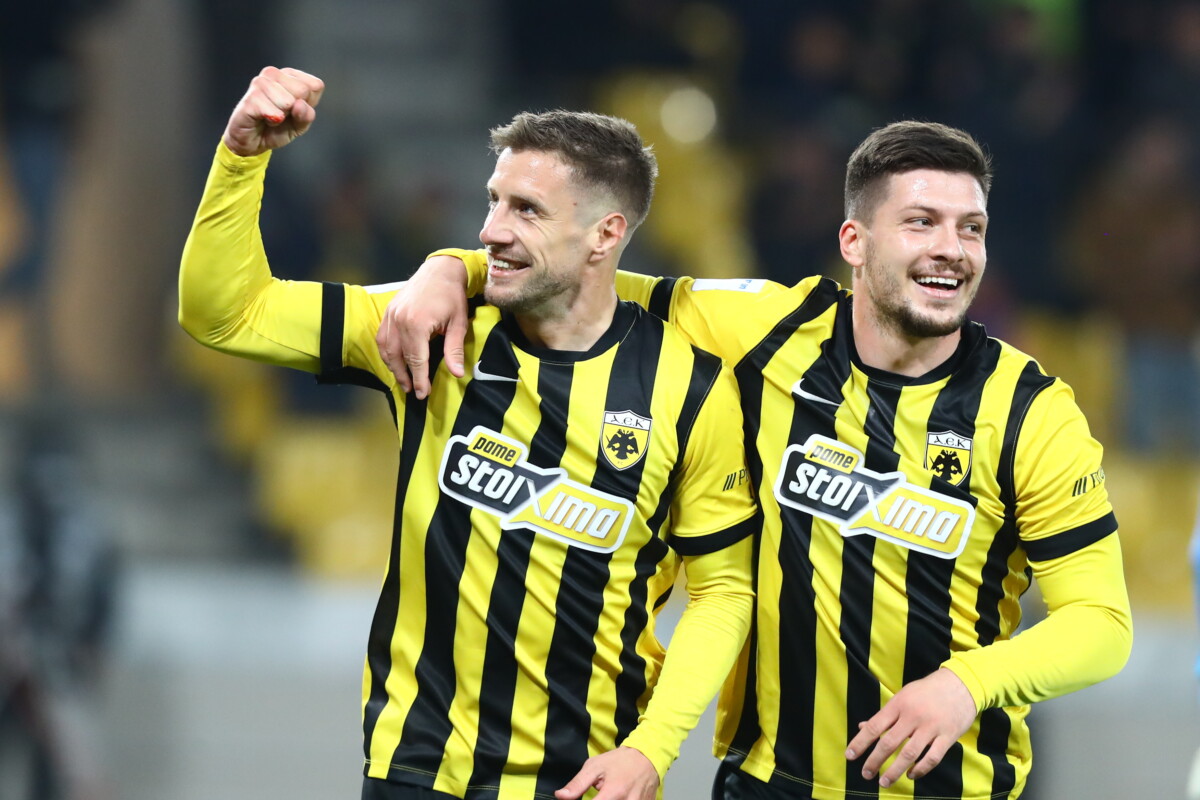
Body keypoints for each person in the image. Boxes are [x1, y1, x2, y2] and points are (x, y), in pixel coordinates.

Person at [375, 120, 1134, 800]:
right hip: (764, 782)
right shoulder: (767, 330)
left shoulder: (1034, 412)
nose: (952, 249)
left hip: (948, 790)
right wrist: (449, 269)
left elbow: (1101, 624)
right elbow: (573, 272)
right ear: (854, 243)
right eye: (921, 222)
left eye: (971, 228)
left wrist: (966, 684)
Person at [178, 67, 758, 800]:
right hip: (418, 769)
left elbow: (723, 589)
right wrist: (240, 160)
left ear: (606, 234)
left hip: (585, 778)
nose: (490, 231)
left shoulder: (691, 390)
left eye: (526, 209)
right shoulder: (427, 326)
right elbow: (224, 314)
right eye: (493, 201)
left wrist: (652, 749)